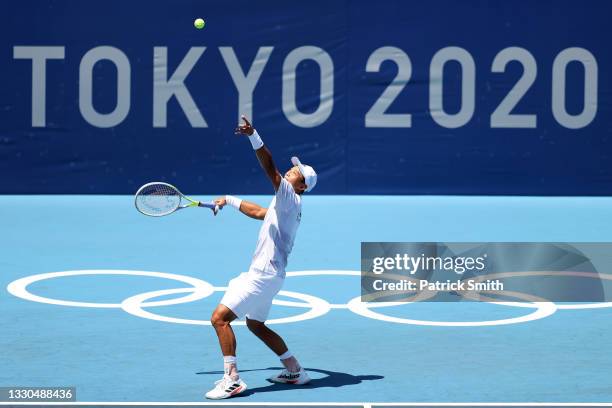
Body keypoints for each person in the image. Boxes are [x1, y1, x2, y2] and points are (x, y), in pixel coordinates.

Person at [204, 115, 318, 400]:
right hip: (271, 276)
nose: (292, 172)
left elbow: (271, 170)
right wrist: (229, 200)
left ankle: (232, 379)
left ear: (302, 186)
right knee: (255, 324)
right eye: (294, 170)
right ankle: (294, 370)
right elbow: (258, 213)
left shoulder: (290, 195)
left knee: (219, 319)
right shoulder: (284, 202)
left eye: (298, 173)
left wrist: (254, 136)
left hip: (263, 275)